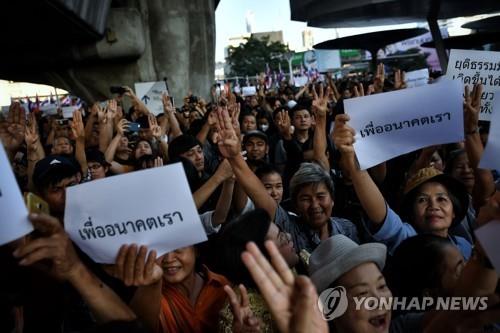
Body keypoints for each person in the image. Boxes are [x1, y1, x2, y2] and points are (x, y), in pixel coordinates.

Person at [333, 114, 472, 259]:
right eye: (422, 200)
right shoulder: (407, 240)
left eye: (441, 199)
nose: (433, 206)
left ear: (454, 211)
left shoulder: (465, 246)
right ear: (412, 213)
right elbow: (381, 214)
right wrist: (350, 157)